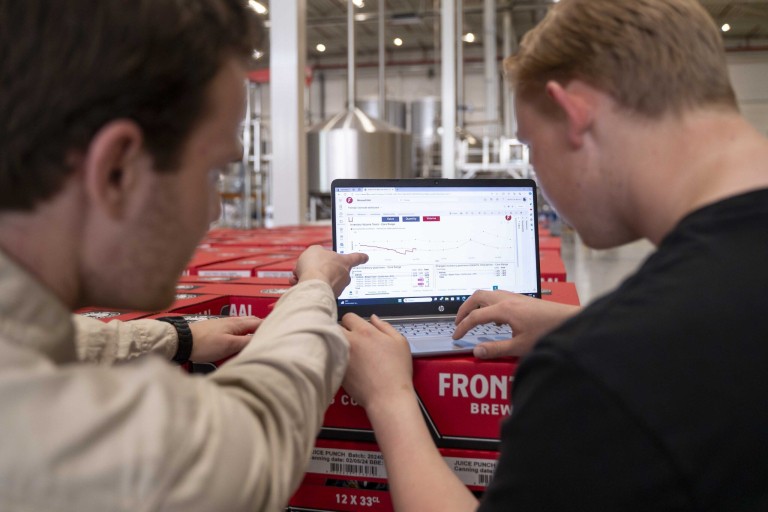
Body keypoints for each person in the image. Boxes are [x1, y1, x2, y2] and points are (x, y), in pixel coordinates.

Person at [341, 0, 768, 510]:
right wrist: (579, 321)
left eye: (528, 145)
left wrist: (389, 400)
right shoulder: (646, 341)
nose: (536, 171)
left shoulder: (596, 372)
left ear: (573, 113)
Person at [0, 1, 367, 511]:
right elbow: (254, 436)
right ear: (117, 172)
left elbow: (66, 340)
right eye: (213, 173)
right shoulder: (62, 438)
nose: (214, 211)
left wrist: (180, 336)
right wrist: (313, 291)